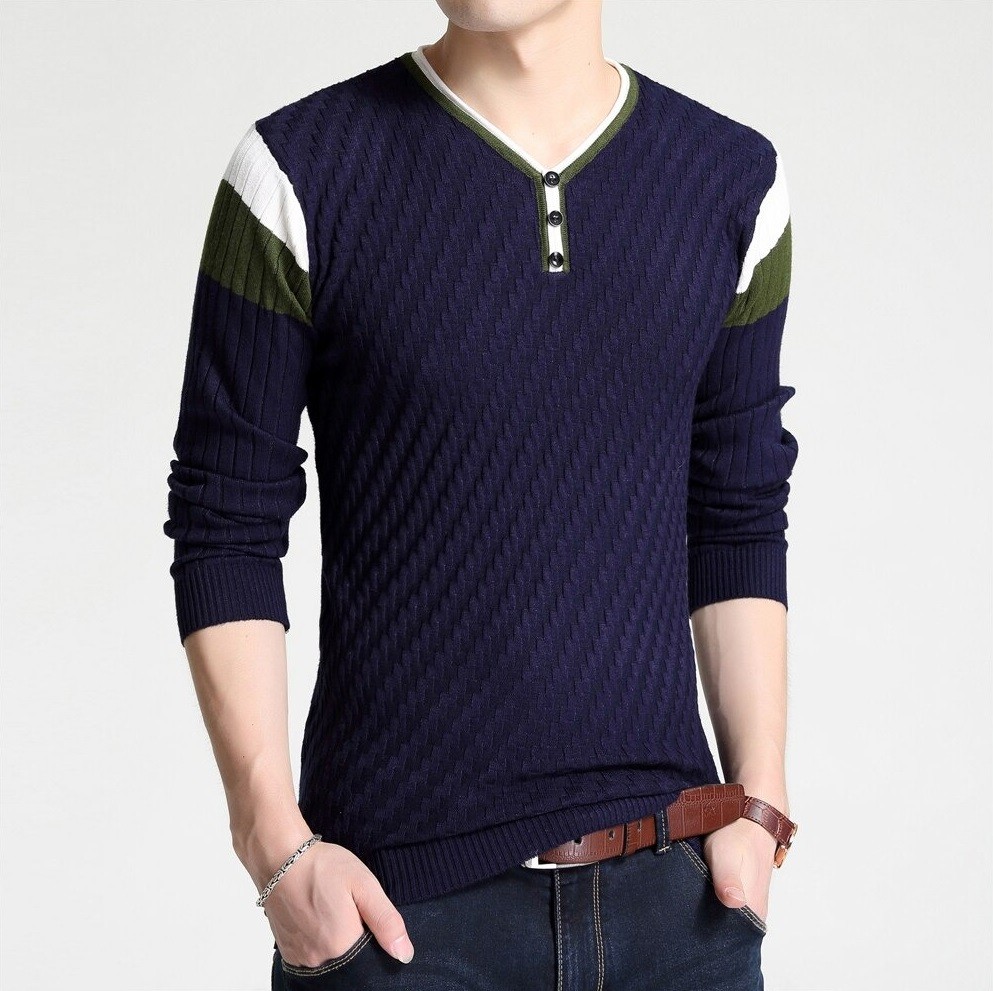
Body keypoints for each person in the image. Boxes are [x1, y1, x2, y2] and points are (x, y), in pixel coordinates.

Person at [163, 1, 800, 988]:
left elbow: (737, 510)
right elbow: (224, 518)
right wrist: (274, 847)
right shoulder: (296, 171)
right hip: (399, 923)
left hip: (677, 913)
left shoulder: (730, 180)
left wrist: (759, 807)